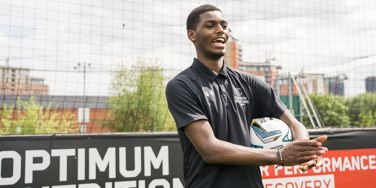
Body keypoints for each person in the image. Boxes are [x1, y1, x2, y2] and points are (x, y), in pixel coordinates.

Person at [165, 4, 327, 188]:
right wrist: (279, 156)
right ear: (192, 35)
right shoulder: (181, 85)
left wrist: (303, 150)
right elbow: (210, 150)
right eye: (210, 25)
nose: (221, 30)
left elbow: (293, 123)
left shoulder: (249, 83)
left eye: (224, 25)